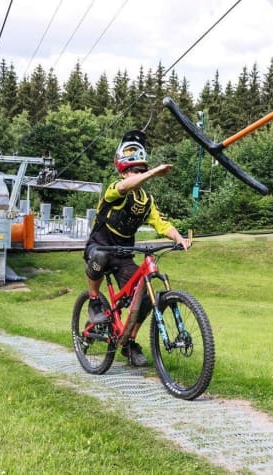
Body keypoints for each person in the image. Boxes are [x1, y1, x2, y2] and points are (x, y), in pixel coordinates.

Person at [84, 130, 189, 367]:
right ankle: (93, 299)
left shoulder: (146, 201)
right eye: (134, 171)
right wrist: (152, 173)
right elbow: (125, 187)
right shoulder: (115, 189)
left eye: (142, 171)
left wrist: (178, 237)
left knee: (144, 298)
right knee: (100, 256)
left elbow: (161, 223)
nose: (139, 175)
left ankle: (129, 342)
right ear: (123, 171)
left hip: (123, 255)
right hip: (99, 246)